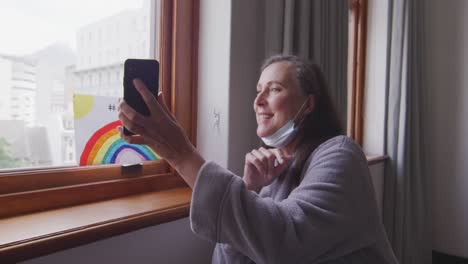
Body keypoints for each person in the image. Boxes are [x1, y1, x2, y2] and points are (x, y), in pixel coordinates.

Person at [118, 55, 398, 264]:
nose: (258, 100)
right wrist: (249, 189)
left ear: (309, 104)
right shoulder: (271, 172)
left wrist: (180, 155)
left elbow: (285, 244)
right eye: (258, 90)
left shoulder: (340, 154)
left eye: (274, 89)